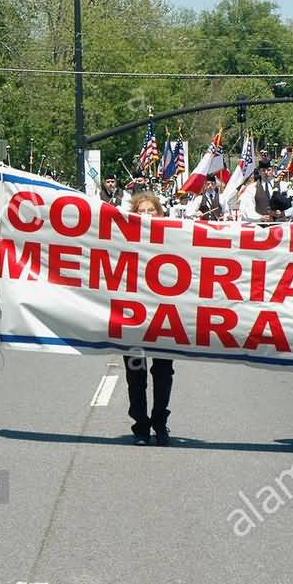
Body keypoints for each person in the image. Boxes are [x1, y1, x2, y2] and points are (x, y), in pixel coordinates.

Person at [125, 191, 176, 445]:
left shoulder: (175, 239)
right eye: (140, 211)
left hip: (165, 321)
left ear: (160, 213)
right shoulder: (123, 242)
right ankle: (141, 426)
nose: (146, 215)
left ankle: (160, 422)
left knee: (163, 373)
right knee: (136, 374)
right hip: (133, 322)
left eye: (150, 211)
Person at [240, 159, 293, 223]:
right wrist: (260, 217)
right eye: (263, 170)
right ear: (259, 172)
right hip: (259, 227)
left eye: (268, 170)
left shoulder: (284, 186)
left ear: (273, 170)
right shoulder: (252, 189)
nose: (266, 172)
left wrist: (284, 213)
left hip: (282, 226)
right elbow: (245, 209)